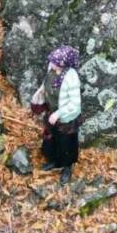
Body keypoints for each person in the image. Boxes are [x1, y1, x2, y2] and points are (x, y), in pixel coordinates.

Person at [30, 45, 82, 184]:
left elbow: (75, 104)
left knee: (66, 144)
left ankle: (66, 168)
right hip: (51, 112)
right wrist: (40, 95)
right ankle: (53, 161)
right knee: (51, 139)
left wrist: (58, 114)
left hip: (66, 118)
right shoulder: (52, 69)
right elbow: (46, 84)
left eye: (55, 62)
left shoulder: (72, 78)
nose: (52, 64)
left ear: (64, 64)